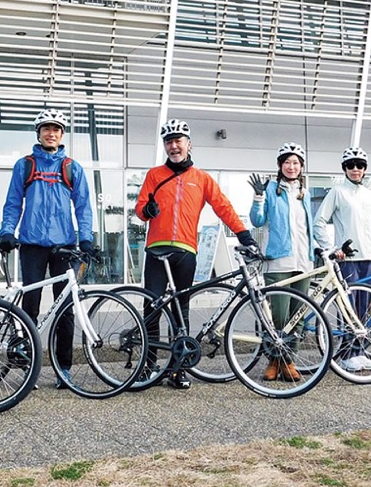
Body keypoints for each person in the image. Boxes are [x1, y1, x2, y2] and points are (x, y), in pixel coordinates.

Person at [135, 118, 257, 389]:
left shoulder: (201, 178)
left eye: (178, 141)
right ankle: (148, 365)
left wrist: (243, 233)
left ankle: (178, 369)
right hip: (156, 249)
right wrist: (148, 211)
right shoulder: (154, 174)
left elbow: (222, 207)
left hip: (186, 250)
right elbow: (140, 207)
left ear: (189, 144)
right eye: (169, 142)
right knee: (151, 307)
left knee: (182, 310)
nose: (173, 146)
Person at [0, 110, 95, 390]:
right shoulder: (25, 165)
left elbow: (84, 207)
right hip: (31, 245)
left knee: (65, 308)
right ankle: (28, 367)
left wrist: (85, 239)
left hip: (64, 246)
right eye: (46, 129)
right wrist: (7, 231)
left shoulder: (71, 167)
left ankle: (63, 368)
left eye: (56, 129)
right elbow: (13, 202)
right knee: (30, 306)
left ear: (62, 135)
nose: (51, 133)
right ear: (38, 133)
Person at [313, 147, 371, 373]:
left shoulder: (370, 195)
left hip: (368, 257)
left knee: (364, 307)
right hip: (348, 259)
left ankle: (359, 350)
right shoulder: (337, 192)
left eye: (360, 165)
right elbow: (319, 222)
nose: (355, 169)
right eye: (351, 165)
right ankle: (346, 354)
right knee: (349, 307)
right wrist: (332, 249)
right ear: (344, 168)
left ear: (365, 169)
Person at [248, 142, 315, 381]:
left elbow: (307, 229)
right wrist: (258, 196)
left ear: (301, 166)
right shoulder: (270, 190)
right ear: (280, 165)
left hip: (303, 263)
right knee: (278, 317)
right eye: (287, 162)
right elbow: (257, 220)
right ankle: (274, 361)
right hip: (278, 262)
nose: (291, 166)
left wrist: (316, 252)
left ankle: (289, 361)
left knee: (297, 317)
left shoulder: (304, 194)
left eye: (296, 162)